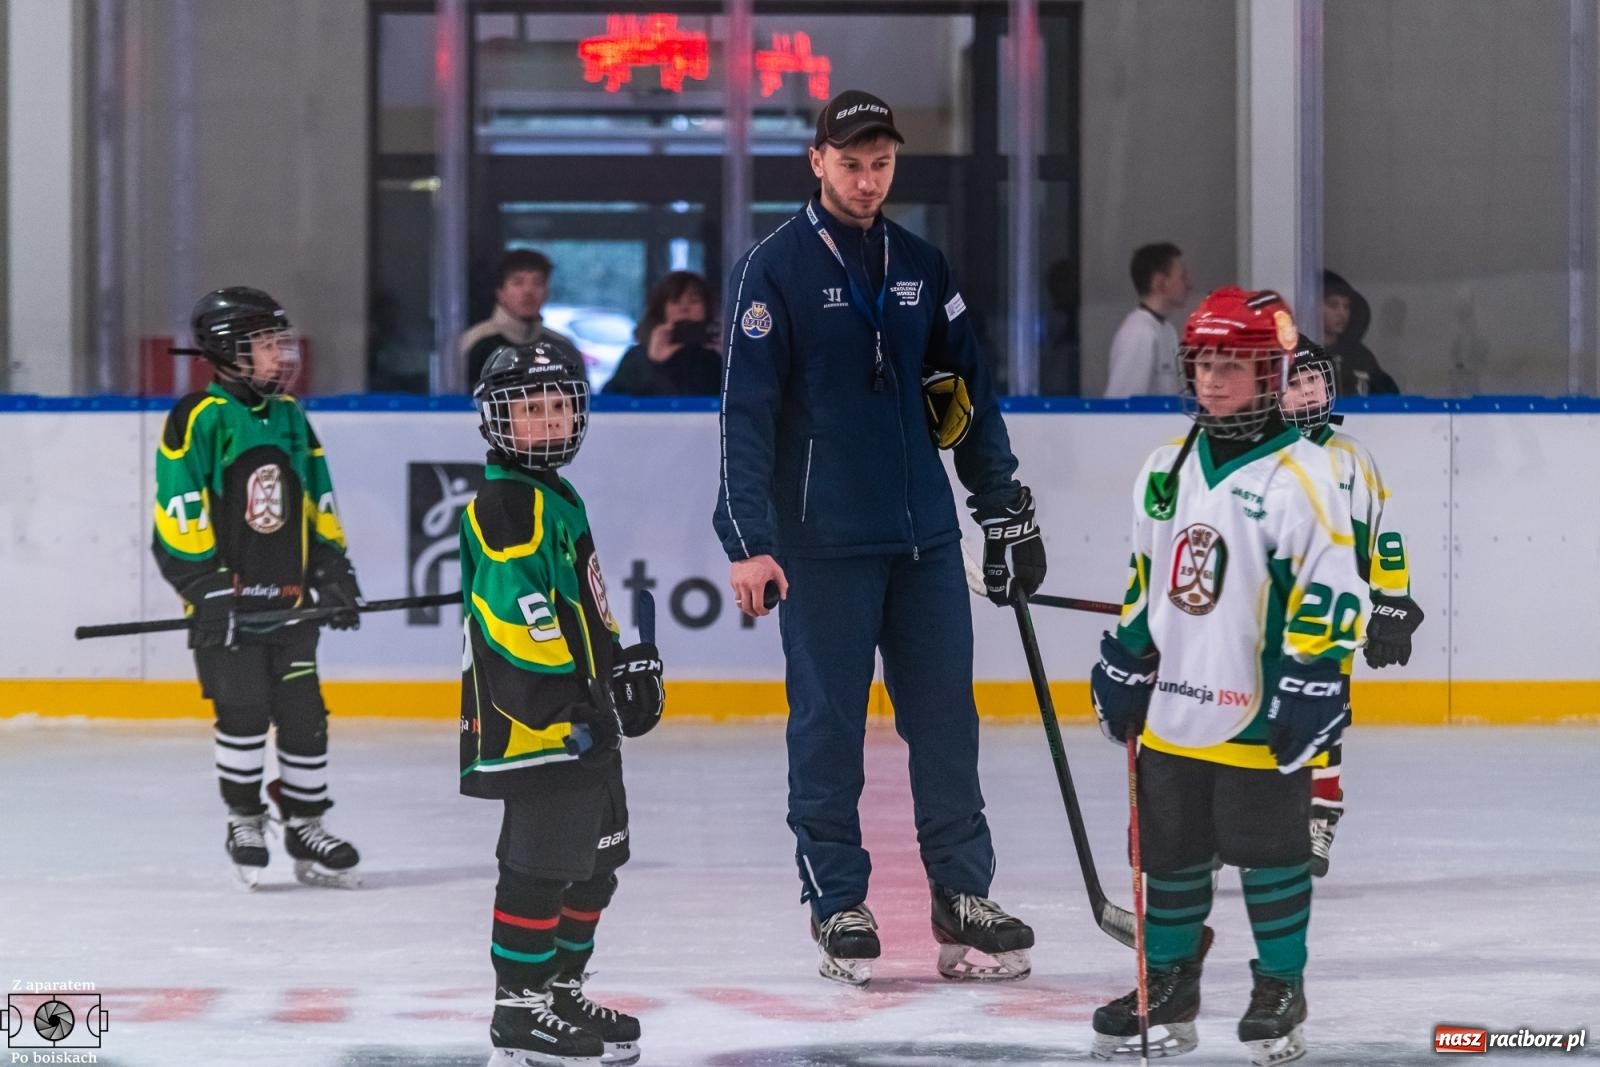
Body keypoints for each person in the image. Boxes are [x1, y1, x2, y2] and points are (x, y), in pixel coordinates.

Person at [714, 89, 1046, 986]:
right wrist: (748, 536)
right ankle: (837, 902)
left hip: (924, 540)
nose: (869, 180)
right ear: (817, 160)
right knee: (829, 723)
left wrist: (1002, 506)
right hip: (821, 543)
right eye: (853, 162)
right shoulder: (772, 271)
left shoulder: (922, 264)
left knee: (946, 719)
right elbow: (745, 416)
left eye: (883, 162)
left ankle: (962, 897)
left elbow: (964, 395)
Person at [1086, 288, 1364, 1065]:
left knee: (1271, 852)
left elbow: (1335, 589)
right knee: (1168, 852)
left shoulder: (1302, 475)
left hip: (1256, 708)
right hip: (1173, 708)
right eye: (1204, 361)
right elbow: (1147, 579)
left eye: (1233, 365)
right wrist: (1128, 652)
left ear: (1269, 372)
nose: (1213, 378)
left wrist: (1314, 675)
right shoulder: (1163, 468)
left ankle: (1281, 985)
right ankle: (1168, 982)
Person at [460, 341, 665, 1065]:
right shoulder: (507, 502)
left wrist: (619, 669)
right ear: (495, 419)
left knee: (597, 856)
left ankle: (559, 984)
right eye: (529, 409)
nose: (547, 422)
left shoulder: (553, 495)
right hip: (536, 718)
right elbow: (520, 615)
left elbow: (578, 607)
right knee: (542, 861)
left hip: (582, 711)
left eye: (558, 406)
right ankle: (518, 1008)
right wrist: (563, 704)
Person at [153, 287, 364, 890]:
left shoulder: (292, 416)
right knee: (243, 714)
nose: (281, 355)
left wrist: (331, 569)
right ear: (227, 351)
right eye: (267, 345)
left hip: (292, 604)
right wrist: (205, 587)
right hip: (230, 610)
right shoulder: (199, 417)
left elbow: (318, 499)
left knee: (304, 717)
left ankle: (306, 823)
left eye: (280, 342)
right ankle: (245, 817)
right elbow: (179, 506)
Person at [1279, 336, 1423, 877]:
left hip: (1329, 620)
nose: (1308, 389)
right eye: (1294, 382)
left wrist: (1392, 603)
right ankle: (1252, 821)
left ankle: (1320, 815)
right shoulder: (1254, 459)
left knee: (1322, 716)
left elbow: (1383, 540)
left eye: (1314, 379)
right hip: (1264, 623)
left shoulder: (1351, 458)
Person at [461, 249, 587, 389]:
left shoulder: (563, 349)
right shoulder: (472, 343)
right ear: (500, 292)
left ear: (546, 292)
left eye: (537, 282)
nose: (528, 291)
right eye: (518, 282)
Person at [604, 271, 722, 396]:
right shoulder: (637, 357)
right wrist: (652, 363)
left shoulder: (714, 359)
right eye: (675, 302)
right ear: (661, 310)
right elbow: (607, 402)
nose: (684, 308)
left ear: (707, 309)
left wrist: (730, 357)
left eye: (694, 301)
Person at [1104, 242, 1192, 397]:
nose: (1189, 285)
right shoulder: (1138, 333)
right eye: (1182, 277)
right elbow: (1122, 405)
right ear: (1160, 283)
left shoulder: (1167, 330)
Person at [1321, 270, 1398, 396]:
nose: (1342, 313)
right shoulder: (1300, 355)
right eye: (1333, 305)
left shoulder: (1361, 357)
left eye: (1346, 306)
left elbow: (1387, 397)